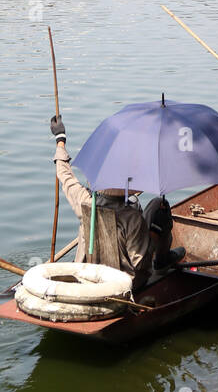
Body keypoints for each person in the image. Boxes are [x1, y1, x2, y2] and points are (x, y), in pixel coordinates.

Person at [50, 116, 182, 290]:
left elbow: (65, 175)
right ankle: (162, 261)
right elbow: (140, 264)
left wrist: (60, 138)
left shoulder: (84, 202)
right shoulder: (133, 219)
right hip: (124, 285)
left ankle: (162, 258)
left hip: (89, 276)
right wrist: (153, 237)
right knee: (159, 210)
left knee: (156, 204)